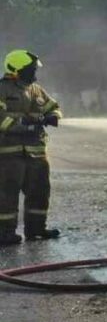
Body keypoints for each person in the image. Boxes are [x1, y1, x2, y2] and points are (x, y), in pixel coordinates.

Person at [0, 50, 62, 245]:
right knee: (6, 195)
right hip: (10, 154)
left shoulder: (36, 89)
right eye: (30, 69)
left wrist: (54, 116)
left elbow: (53, 106)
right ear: (16, 70)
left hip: (36, 153)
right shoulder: (2, 89)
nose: (34, 72)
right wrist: (25, 125)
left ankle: (36, 230)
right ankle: (4, 234)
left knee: (40, 191)